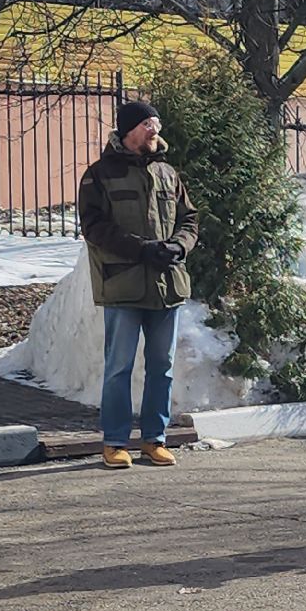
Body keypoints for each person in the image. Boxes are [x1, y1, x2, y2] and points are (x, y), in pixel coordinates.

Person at [77, 100, 199, 470]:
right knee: (119, 367)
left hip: (166, 285)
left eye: (156, 123)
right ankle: (115, 442)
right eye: (148, 124)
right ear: (129, 129)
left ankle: (154, 440)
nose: (155, 130)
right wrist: (140, 249)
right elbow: (94, 227)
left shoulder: (167, 172)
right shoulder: (99, 175)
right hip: (123, 286)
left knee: (162, 366)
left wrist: (178, 246)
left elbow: (189, 219)